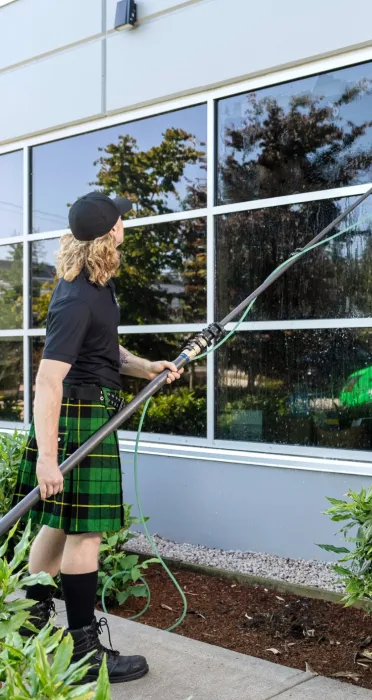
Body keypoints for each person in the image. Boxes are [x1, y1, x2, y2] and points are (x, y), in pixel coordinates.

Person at [12, 192, 183, 683]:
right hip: (76, 420)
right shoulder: (76, 297)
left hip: (89, 414)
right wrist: (48, 458)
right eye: (122, 219)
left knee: (59, 524)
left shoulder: (96, 288)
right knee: (85, 534)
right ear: (109, 232)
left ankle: (29, 622)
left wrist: (144, 365)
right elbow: (48, 380)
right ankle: (86, 652)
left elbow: (105, 349)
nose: (126, 223)